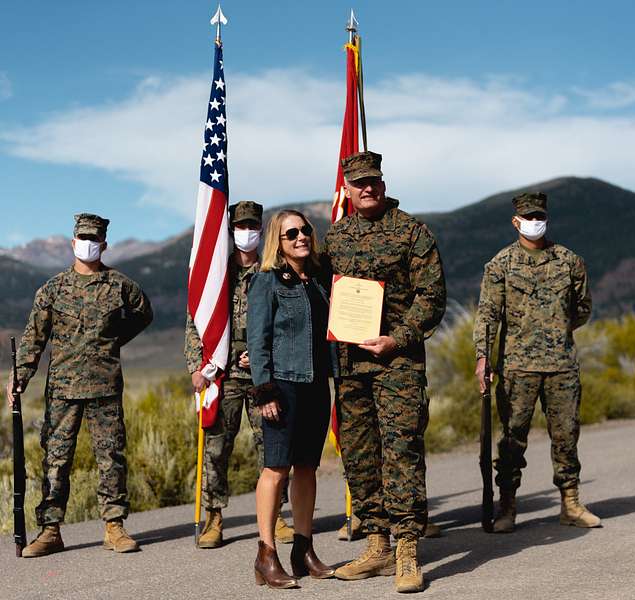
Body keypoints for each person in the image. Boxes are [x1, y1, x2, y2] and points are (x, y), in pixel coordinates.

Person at [323, 151, 446, 594]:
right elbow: (323, 295)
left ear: (382, 181)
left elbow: (431, 296)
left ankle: (407, 548)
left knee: (401, 451)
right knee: (358, 452)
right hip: (351, 365)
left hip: (398, 362)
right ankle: (376, 543)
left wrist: (399, 337)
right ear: (348, 188)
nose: (367, 188)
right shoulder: (336, 238)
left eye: (373, 180)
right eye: (358, 183)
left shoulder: (412, 232)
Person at [6, 213, 153, 557]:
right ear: (73, 243)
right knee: (56, 460)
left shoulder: (120, 285)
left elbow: (144, 314)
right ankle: (50, 530)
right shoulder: (54, 289)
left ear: (103, 244)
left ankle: (114, 527)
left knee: (111, 458)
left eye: (94, 239)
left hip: (104, 385)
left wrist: (113, 340)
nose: (88, 244)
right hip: (63, 387)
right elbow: (33, 339)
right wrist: (19, 378)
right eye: (82, 238)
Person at [473, 192, 601, 533]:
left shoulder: (568, 261)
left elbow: (582, 308)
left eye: (539, 215)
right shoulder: (501, 264)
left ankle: (571, 504)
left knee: (566, 435)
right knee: (512, 439)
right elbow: (488, 316)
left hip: (561, 364)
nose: (534, 222)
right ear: (516, 222)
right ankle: (507, 506)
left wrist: (555, 329)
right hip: (517, 367)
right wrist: (483, 358)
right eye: (528, 217)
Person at [184, 201, 294, 549]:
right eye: (239, 227)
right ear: (230, 232)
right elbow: (196, 322)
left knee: (272, 447)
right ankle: (214, 517)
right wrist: (195, 367)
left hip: (265, 376)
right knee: (217, 448)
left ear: (261, 231)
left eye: (252, 226)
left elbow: (288, 321)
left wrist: (265, 355)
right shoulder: (216, 276)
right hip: (224, 375)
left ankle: (276, 515)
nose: (246, 233)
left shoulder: (273, 272)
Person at [247, 210, 337, 589]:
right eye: (291, 234)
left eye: (305, 230)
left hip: (316, 384)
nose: (301, 237)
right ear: (278, 243)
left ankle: (303, 548)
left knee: (306, 467)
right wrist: (264, 389)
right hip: (283, 385)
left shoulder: (319, 280)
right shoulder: (267, 282)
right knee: (276, 467)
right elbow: (257, 339)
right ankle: (266, 554)